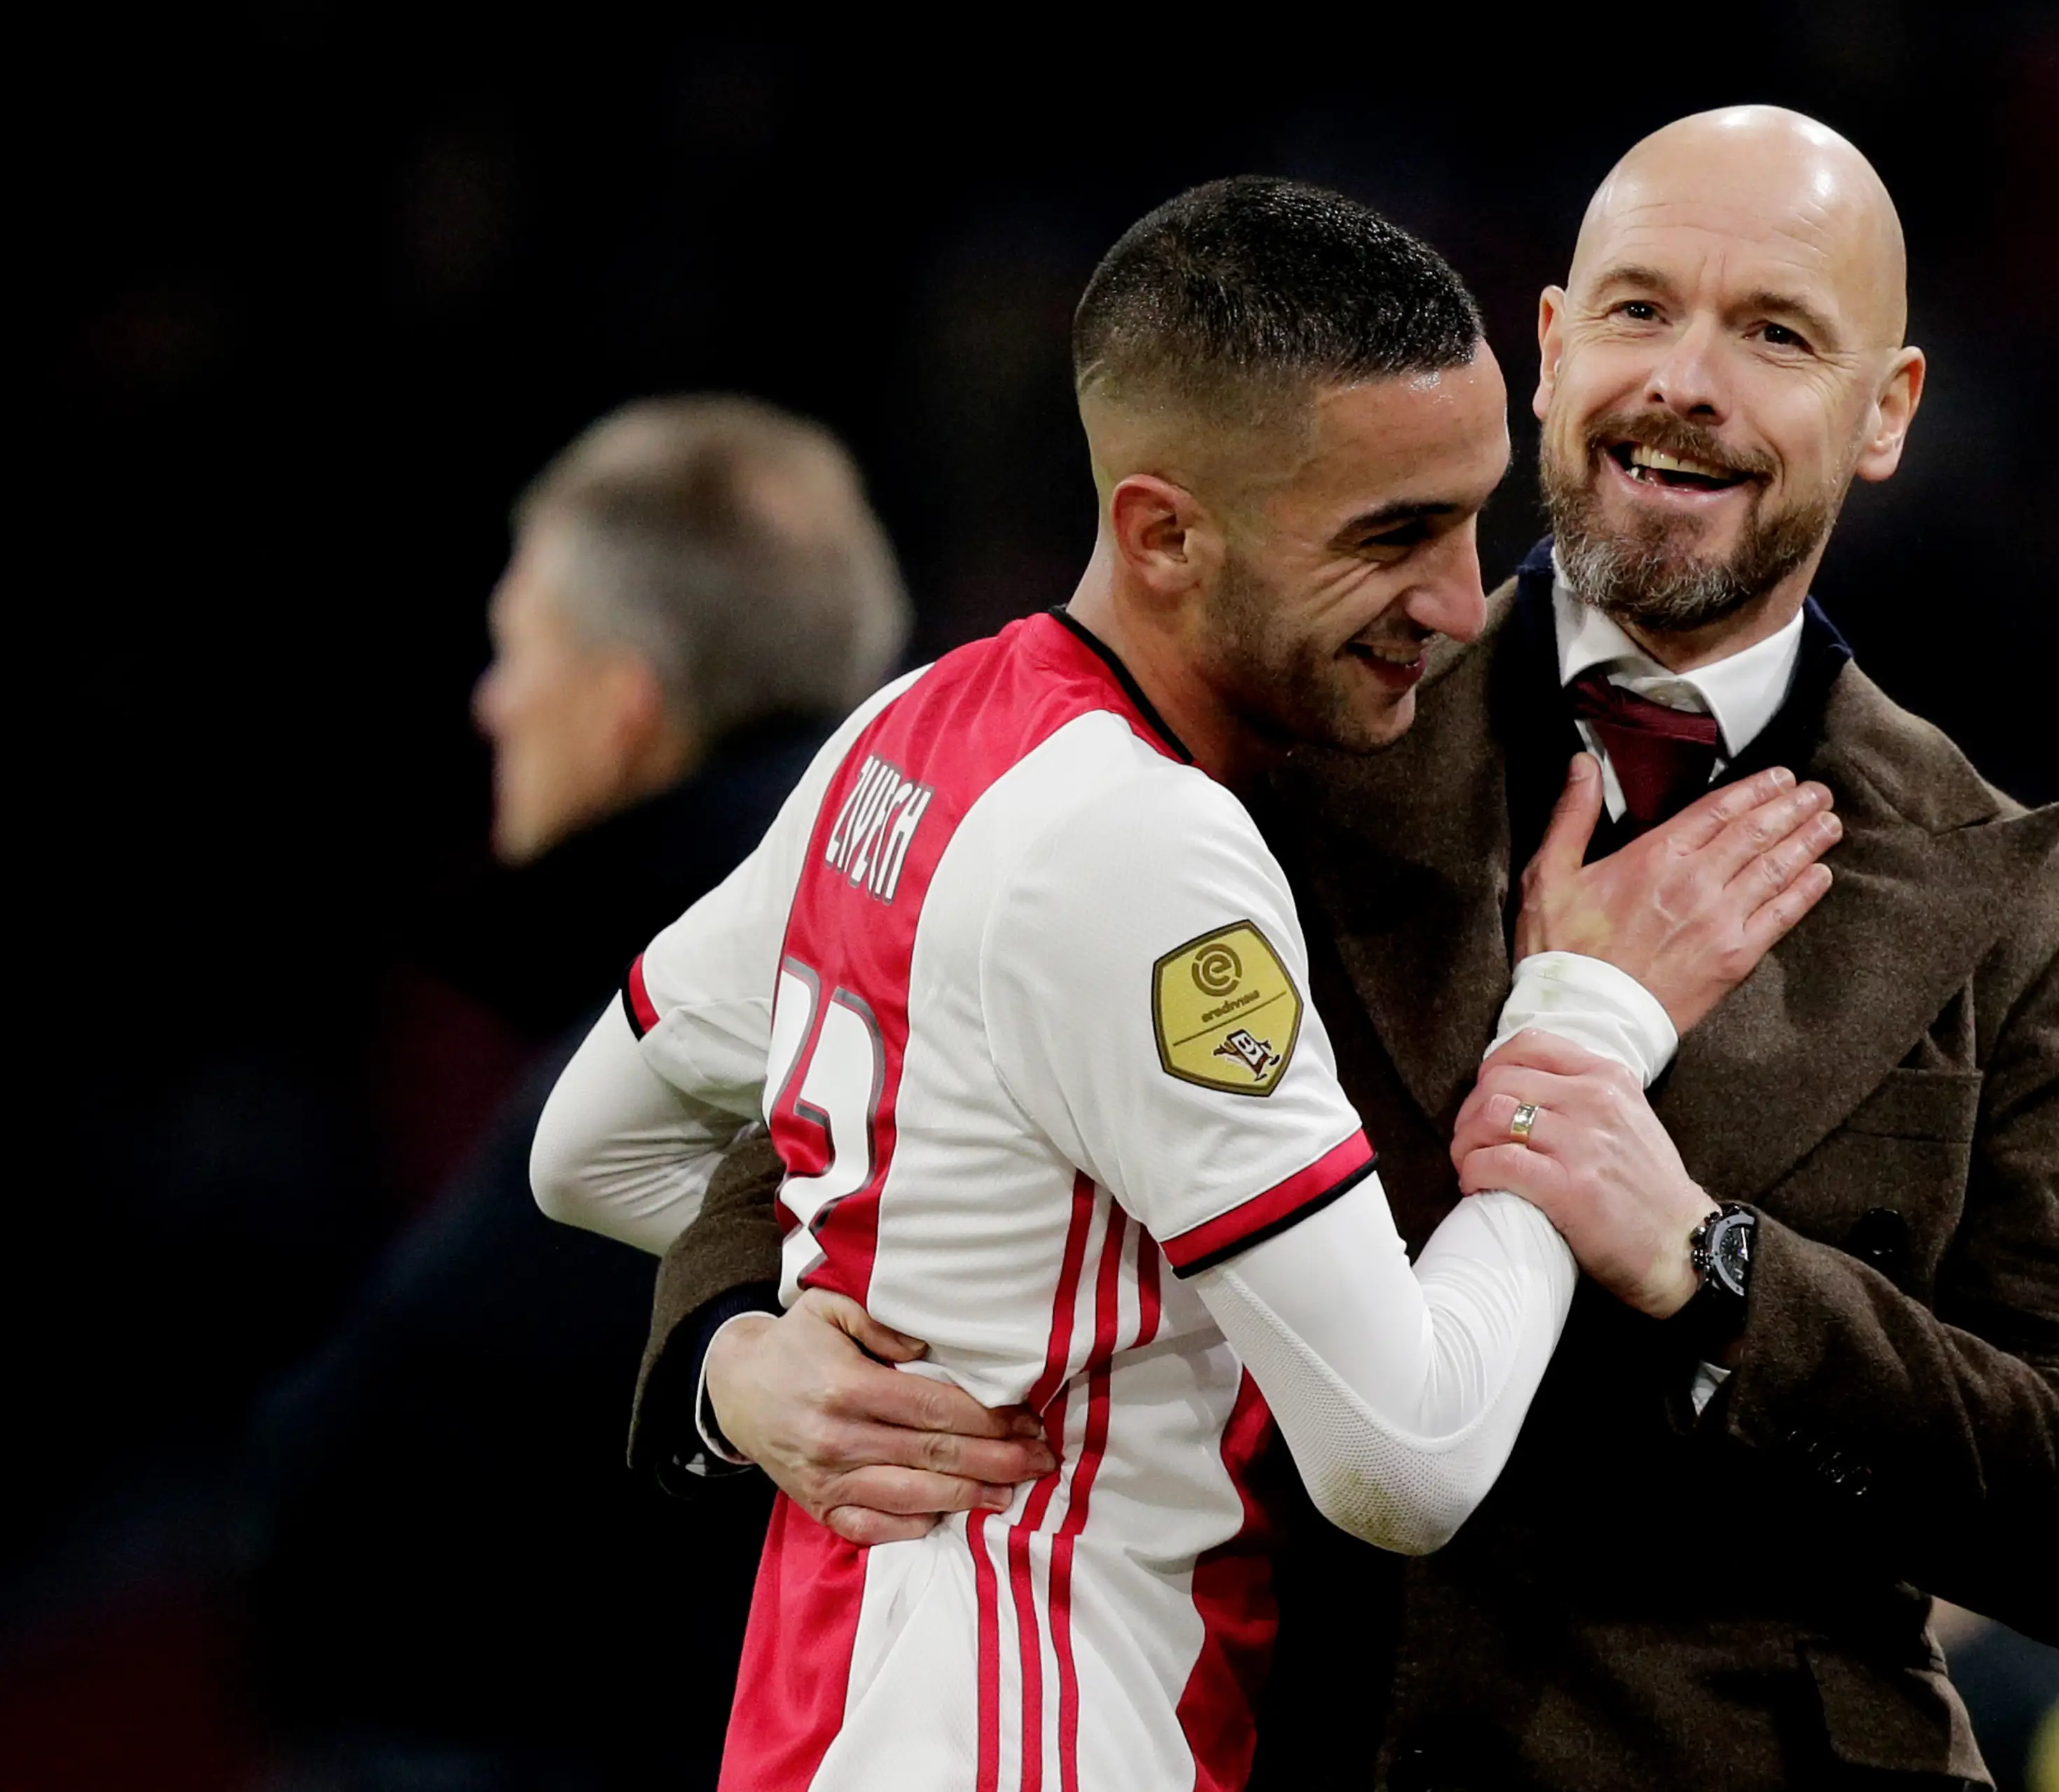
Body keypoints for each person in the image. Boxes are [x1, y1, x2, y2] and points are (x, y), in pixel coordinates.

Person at [644, 108, 2059, 1791]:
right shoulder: (1275, 712)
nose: (1685, 380)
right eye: (1639, 309)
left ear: (1885, 410)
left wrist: (1707, 1262)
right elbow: (846, 1071)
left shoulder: (2029, 915)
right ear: (1545, 347)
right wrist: (736, 1351)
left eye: (1774, 335)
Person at [530, 179, 1841, 1792]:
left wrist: (761, 1344)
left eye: (1469, 516)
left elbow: (591, 1145)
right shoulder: (1143, 855)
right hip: (1035, 1731)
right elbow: (1407, 1454)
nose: (1454, 599)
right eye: (1390, 536)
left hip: (837, 1711)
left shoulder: (903, 736)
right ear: (1162, 532)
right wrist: (1588, 1017)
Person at [242, 395, 908, 1790]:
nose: (490, 699)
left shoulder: (683, 1019)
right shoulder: (903, 907)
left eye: (512, 650)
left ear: (622, 714)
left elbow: (334, 1494)